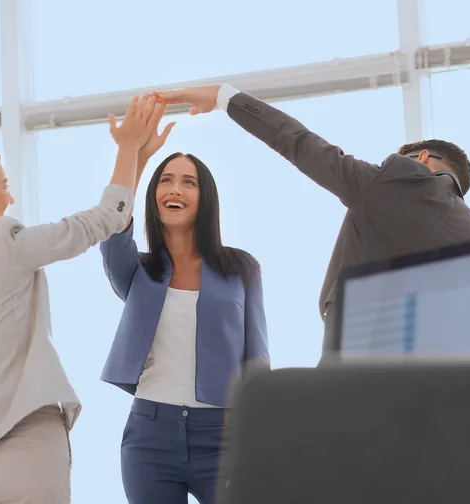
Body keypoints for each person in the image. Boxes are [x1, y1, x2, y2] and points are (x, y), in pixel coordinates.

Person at [0, 93, 160, 504]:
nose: (10, 199)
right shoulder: (8, 241)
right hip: (27, 446)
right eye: (4, 187)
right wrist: (129, 149)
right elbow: (104, 219)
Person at [154, 84, 470, 357]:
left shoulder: (397, 183)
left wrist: (223, 96)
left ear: (420, 158)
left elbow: (300, 143)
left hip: (357, 383)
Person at [99, 103, 269, 504]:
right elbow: (112, 225)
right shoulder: (137, 270)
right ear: (153, 195)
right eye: (166, 180)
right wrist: (133, 154)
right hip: (150, 435)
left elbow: (257, 356)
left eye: (188, 182)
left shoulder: (242, 268)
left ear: (204, 197)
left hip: (225, 436)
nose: (175, 189)